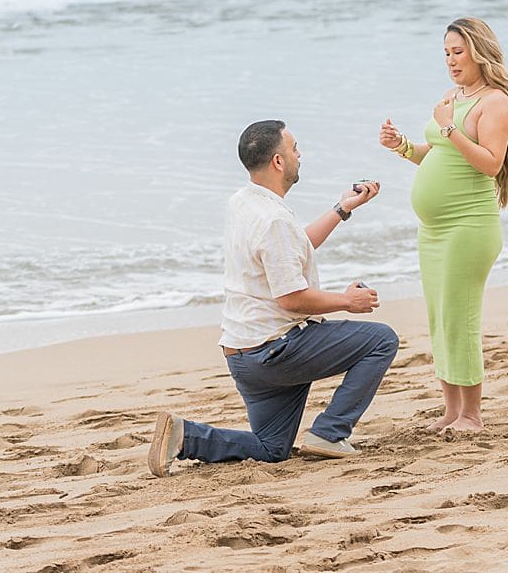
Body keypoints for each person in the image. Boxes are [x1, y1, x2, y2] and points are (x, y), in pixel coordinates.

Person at [147, 120, 399, 477]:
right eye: (294, 149)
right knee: (381, 340)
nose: (300, 155)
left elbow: (293, 247)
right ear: (278, 162)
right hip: (276, 352)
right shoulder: (273, 220)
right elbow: (292, 300)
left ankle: (186, 437)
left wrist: (343, 209)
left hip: (244, 356)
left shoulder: (243, 202)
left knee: (271, 449)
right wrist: (347, 301)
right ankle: (330, 432)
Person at [379, 17, 508, 432]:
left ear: (478, 52)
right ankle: (451, 411)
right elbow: (437, 154)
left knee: (460, 317)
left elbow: (490, 163)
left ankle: (472, 415)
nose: (450, 61)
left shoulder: (495, 103)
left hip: (469, 226)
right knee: (438, 317)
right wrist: (403, 146)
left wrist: (447, 125)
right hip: (435, 231)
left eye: (457, 52)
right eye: (445, 53)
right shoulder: (453, 97)